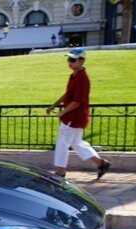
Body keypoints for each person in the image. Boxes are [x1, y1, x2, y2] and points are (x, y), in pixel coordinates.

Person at [46, 48, 111, 179]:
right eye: (68, 59)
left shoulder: (82, 78)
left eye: (72, 60)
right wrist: (54, 105)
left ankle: (60, 172)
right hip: (74, 117)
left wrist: (63, 111)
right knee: (77, 143)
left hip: (73, 117)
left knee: (62, 142)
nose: (69, 62)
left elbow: (78, 101)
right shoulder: (74, 75)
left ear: (81, 61)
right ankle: (101, 163)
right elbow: (68, 94)